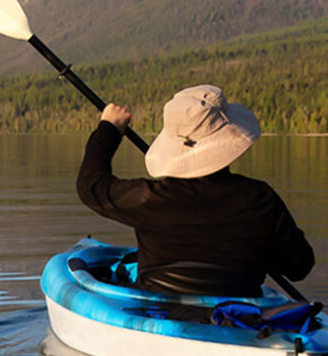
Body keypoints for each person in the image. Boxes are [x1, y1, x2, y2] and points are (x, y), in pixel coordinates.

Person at [76, 84, 314, 298]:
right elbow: (299, 266)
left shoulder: (148, 199)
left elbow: (91, 186)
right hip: (239, 319)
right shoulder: (260, 199)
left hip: (161, 315)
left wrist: (109, 129)